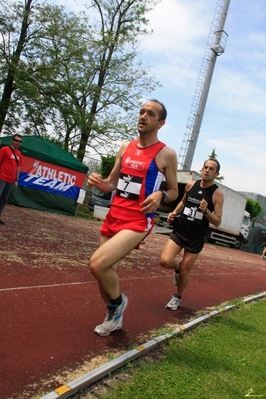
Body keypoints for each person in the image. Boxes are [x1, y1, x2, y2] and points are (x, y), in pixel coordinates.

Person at [88, 99, 178, 336]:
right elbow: (111, 183)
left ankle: (117, 305)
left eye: (150, 114)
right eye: (141, 112)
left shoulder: (166, 154)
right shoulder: (125, 147)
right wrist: (100, 183)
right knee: (103, 272)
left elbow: (174, 191)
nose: (143, 116)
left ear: (160, 123)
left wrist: (161, 194)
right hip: (113, 214)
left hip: (138, 220)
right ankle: (114, 316)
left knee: (97, 263)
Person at [160, 158, 224, 310]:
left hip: (196, 237)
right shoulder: (191, 185)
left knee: (185, 272)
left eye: (211, 169)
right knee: (165, 261)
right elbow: (183, 202)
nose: (207, 170)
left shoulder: (217, 194)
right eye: (205, 167)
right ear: (202, 169)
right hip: (180, 230)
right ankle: (176, 267)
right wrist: (174, 213)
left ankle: (177, 297)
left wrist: (206, 211)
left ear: (217, 174)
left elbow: (217, 221)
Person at [0, 134, 23, 225]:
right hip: (1, 177)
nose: (18, 143)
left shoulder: (19, 154)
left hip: (10, 180)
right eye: (16, 140)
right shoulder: (4, 149)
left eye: (20, 141)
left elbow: (18, 167)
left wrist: (16, 180)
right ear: (12, 140)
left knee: (4, 199)